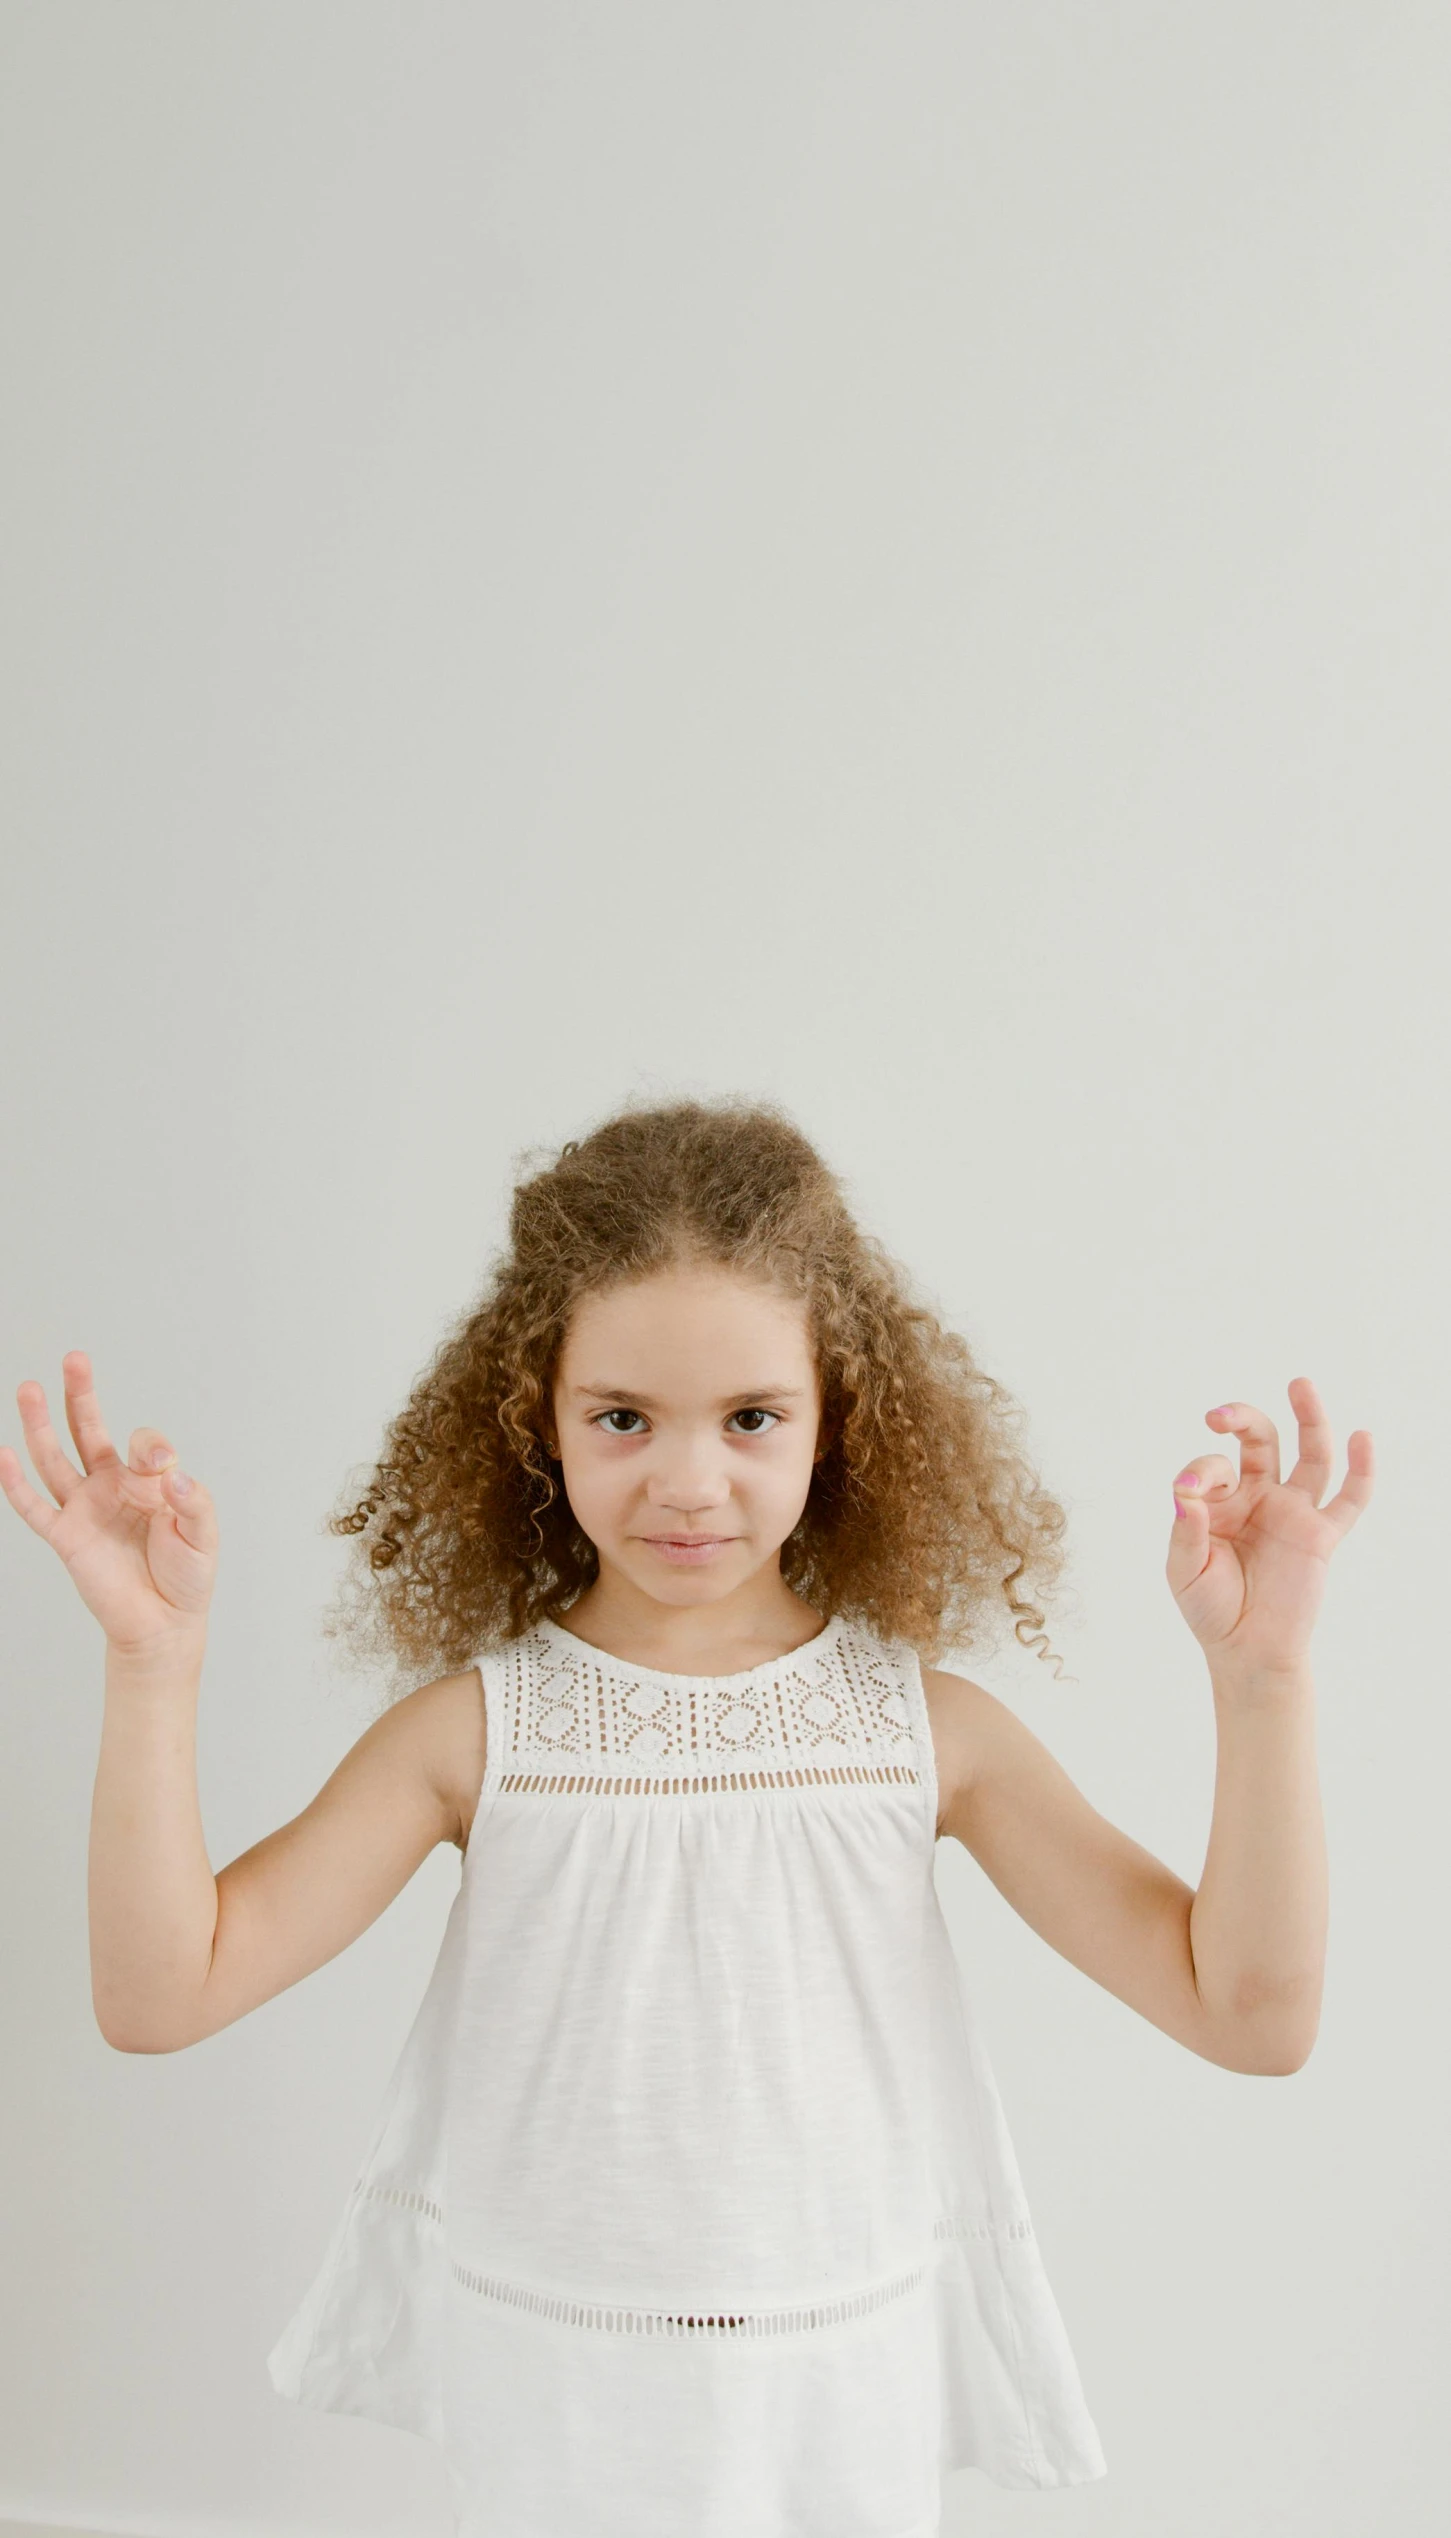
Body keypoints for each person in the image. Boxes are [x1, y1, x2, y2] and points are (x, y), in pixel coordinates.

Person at [2, 1095, 1374, 2538]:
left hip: (841, 2392)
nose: (686, 1479)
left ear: (834, 1410)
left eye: (749, 1417)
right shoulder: (478, 1735)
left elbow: (1250, 2014)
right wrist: (153, 1665)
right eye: (622, 1416)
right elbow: (159, 1996)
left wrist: (1261, 1678)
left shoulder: (930, 1731)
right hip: (562, 2399)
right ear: (538, 1409)